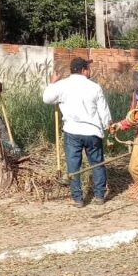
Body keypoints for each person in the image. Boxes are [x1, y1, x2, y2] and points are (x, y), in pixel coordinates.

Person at [42, 57, 112, 207]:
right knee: (97, 163)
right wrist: (108, 125)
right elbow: (104, 111)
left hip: (72, 131)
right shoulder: (94, 87)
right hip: (92, 131)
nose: (90, 71)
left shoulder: (62, 85)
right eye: (88, 68)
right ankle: (99, 195)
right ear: (83, 70)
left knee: (74, 166)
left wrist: (52, 83)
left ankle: (78, 198)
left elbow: (47, 99)